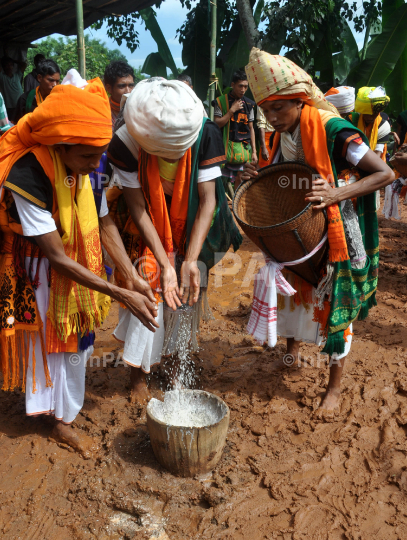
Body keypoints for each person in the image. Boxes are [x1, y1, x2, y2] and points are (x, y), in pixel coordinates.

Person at [0, 77, 158, 457]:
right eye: (87, 156)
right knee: (55, 346)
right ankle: (57, 420)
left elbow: (104, 225)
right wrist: (118, 291)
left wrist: (132, 277)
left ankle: (63, 406)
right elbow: (56, 256)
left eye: (99, 154)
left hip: (78, 266)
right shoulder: (29, 173)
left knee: (78, 343)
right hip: (37, 269)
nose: (94, 164)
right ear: (60, 146)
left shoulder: (86, 166)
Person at [242, 48, 394, 415]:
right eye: (266, 111)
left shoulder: (333, 129)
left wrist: (336, 192)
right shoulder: (281, 136)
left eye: (279, 108)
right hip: (300, 224)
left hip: (339, 229)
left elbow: (384, 174)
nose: (272, 117)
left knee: (334, 302)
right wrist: (257, 175)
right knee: (292, 286)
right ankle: (292, 351)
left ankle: (335, 387)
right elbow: (285, 176)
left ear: (299, 101)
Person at [107, 78, 242, 404]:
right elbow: (138, 207)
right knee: (149, 286)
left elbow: (208, 200)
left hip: (193, 215)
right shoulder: (125, 141)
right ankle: (138, 374)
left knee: (184, 293)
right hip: (147, 222)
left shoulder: (204, 131)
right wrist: (166, 263)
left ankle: (173, 364)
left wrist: (191, 259)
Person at [348, 86, 398, 209]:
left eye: (376, 113)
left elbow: (376, 155)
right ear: (361, 110)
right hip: (348, 167)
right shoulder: (349, 120)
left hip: (372, 169)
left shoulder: (383, 125)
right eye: (368, 113)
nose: (372, 116)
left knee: (368, 207)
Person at [212, 70, 257, 193]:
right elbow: (217, 124)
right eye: (240, 86)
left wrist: (254, 152)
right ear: (232, 84)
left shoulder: (250, 104)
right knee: (219, 181)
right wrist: (231, 110)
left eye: (245, 86)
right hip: (224, 149)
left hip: (243, 149)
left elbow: (251, 128)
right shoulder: (220, 102)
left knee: (241, 178)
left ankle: (236, 205)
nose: (243, 89)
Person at [14, 59, 60, 123]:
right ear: (39, 78)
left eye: (57, 81)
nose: (55, 85)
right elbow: (17, 126)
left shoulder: (61, 99)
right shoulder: (26, 99)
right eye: (51, 80)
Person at [103, 61, 136, 129]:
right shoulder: (103, 113)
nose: (128, 91)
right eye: (122, 86)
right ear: (109, 88)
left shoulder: (140, 110)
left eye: (131, 86)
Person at [0, 56, 24, 123]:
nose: (9, 67)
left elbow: (24, 64)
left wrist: (13, 60)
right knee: (10, 124)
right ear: (3, 67)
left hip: (19, 104)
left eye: (11, 65)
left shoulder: (17, 75)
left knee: (20, 123)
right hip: (9, 106)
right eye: (6, 65)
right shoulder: (2, 77)